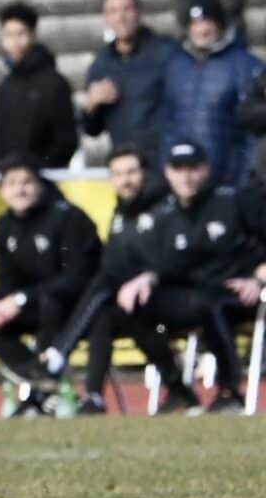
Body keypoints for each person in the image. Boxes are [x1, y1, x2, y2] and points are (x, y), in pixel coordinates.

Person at [110, 141, 262, 415]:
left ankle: (230, 391)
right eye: (178, 169)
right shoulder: (163, 214)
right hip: (191, 296)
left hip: (236, 295)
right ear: (167, 172)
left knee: (208, 305)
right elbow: (167, 264)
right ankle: (178, 389)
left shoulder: (234, 201)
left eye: (193, 168)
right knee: (129, 308)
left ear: (206, 169)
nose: (186, 176)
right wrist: (146, 278)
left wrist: (258, 279)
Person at [35, 146, 167, 413]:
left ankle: (59, 352)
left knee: (104, 282)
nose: (125, 180)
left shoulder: (163, 207)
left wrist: (148, 277)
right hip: (131, 301)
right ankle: (92, 396)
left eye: (131, 172)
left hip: (168, 293)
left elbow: (178, 256)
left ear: (146, 174)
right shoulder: (121, 212)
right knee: (102, 311)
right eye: (118, 174)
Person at [0, 156, 101, 410]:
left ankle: (45, 388)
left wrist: (22, 299)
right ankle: (41, 379)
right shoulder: (4, 225)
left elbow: (77, 278)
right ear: (2, 191)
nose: (20, 189)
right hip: (34, 303)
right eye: (12, 183)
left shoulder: (67, 217)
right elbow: (7, 279)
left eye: (27, 182)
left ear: (40, 184)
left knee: (49, 303)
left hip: (74, 306)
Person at [162, 0, 264, 189]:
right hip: (185, 179)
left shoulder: (246, 65)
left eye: (207, 21)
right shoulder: (176, 66)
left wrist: (245, 178)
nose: (201, 29)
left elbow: (253, 132)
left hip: (228, 180)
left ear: (220, 24)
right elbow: (168, 125)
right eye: (195, 23)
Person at [80, 0, 175, 158]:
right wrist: (90, 106)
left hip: (164, 161)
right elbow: (92, 130)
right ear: (106, 19)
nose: (120, 17)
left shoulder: (166, 53)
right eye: (113, 11)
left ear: (138, 13)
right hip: (126, 165)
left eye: (127, 9)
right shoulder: (101, 64)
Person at [0, 1, 78, 169]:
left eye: (21, 34)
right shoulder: (5, 87)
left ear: (33, 35)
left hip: (40, 183)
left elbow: (66, 140)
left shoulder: (54, 83)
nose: (15, 42)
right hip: (7, 183)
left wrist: (38, 173)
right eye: (8, 35)